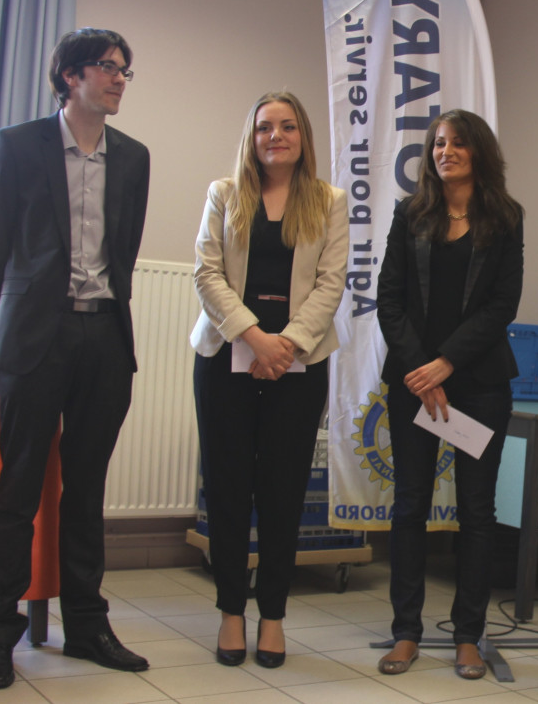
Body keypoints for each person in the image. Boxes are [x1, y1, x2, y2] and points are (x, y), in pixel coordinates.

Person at [0, 28, 151, 687]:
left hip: (104, 336)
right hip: (34, 335)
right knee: (19, 486)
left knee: (87, 487)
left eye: (126, 71)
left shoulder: (133, 158)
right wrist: (8, 316)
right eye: (108, 68)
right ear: (71, 76)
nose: (120, 80)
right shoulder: (17, 146)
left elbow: (123, 252)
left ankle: (87, 626)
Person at [190, 92, 348, 668]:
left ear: (303, 135)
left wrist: (287, 346)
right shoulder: (224, 194)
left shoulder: (328, 201)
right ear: (251, 137)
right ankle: (232, 613)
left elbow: (331, 284)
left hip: (298, 367)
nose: (274, 136)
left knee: (282, 496)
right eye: (264, 128)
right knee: (229, 492)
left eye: (286, 127)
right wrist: (255, 337)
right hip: (225, 361)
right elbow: (207, 273)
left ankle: (273, 618)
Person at [375, 109, 524, 680]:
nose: (445, 152)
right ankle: (405, 632)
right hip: (415, 382)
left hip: (479, 383)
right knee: (410, 506)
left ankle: (468, 636)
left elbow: (501, 304)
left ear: (478, 151)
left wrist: (446, 363)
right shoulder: (408, 214)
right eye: (438, 143)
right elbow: (390, 299)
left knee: (476, 513)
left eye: (458, 143)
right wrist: (421, 368)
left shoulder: (506, 218)